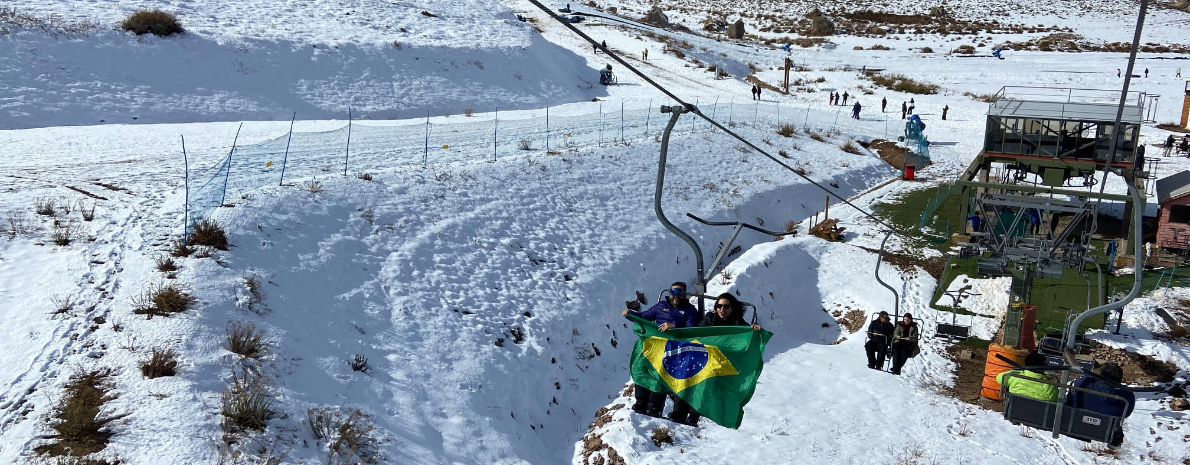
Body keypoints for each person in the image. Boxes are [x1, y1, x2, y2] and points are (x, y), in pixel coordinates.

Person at [623, 282, 701, 418]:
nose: (676, 295)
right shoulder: (661, 306)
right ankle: (641, 403)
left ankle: (655, 407)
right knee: (642, 369)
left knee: (660, 376)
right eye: (674, 292)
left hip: (675, 350)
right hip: (656, 347)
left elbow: (691, 329)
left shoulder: (690, 310)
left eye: (680, 292)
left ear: (685, 294)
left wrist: (674, 326)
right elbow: (645, 316)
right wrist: (630, 314)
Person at [1069, 362, 1135, 447]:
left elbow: (1076, 385)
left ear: (1101, 375)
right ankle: (1114, 443)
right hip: (1106, 432)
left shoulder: (1086, 383)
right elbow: (1126, 414)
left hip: (1077, 425)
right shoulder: (1127, 396)